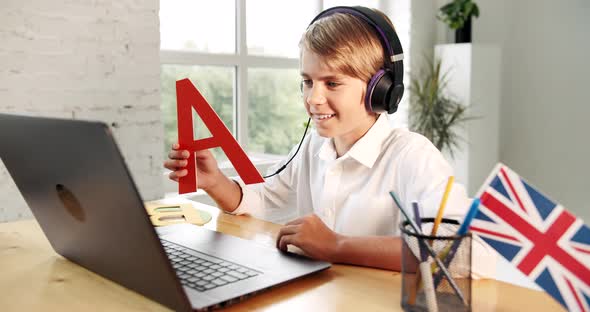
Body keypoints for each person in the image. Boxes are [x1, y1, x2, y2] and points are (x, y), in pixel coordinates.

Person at [164, 6, 495, 275]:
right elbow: (264, 199)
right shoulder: (314, 146)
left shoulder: (412, 156)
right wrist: (215, 181)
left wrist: (338, 245)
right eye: (307, 81)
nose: (313, 99)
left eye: (332, 83)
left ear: (382, 89)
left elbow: (467, 253)